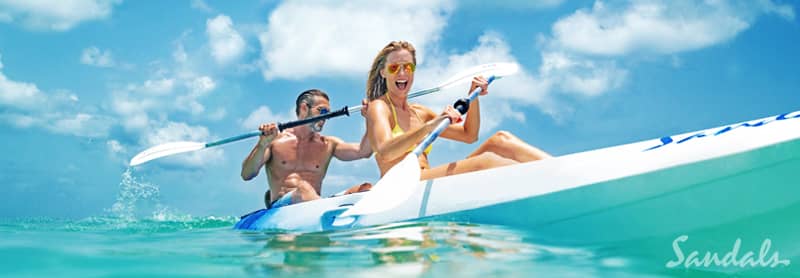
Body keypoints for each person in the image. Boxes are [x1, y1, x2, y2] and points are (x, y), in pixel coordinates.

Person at [364, 41, 552, 180]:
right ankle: (544, 182)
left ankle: (562, 172)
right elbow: (386, 152)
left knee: (501, 140)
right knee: (486, 162)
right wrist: (429, 127)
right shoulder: (379, 107)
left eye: (408, 67)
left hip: (427, 178)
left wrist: (473, 96)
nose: (402, 73)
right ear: (383, 72)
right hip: (403, 184)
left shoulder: (419, 112)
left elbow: (469, 135)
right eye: (394, 67)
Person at [241, 89, 373, 209]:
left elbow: (364, 151)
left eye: (328, 113)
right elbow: (246, 174)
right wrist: (262, 145)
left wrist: (370, 119)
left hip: (315, 204)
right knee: (303, 188)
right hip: (282, 206)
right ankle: (324, 210)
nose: (326, 117)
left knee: (365, 188)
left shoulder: (328, 144)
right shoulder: (275, 141)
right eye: (322, 111)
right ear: (304, 108)